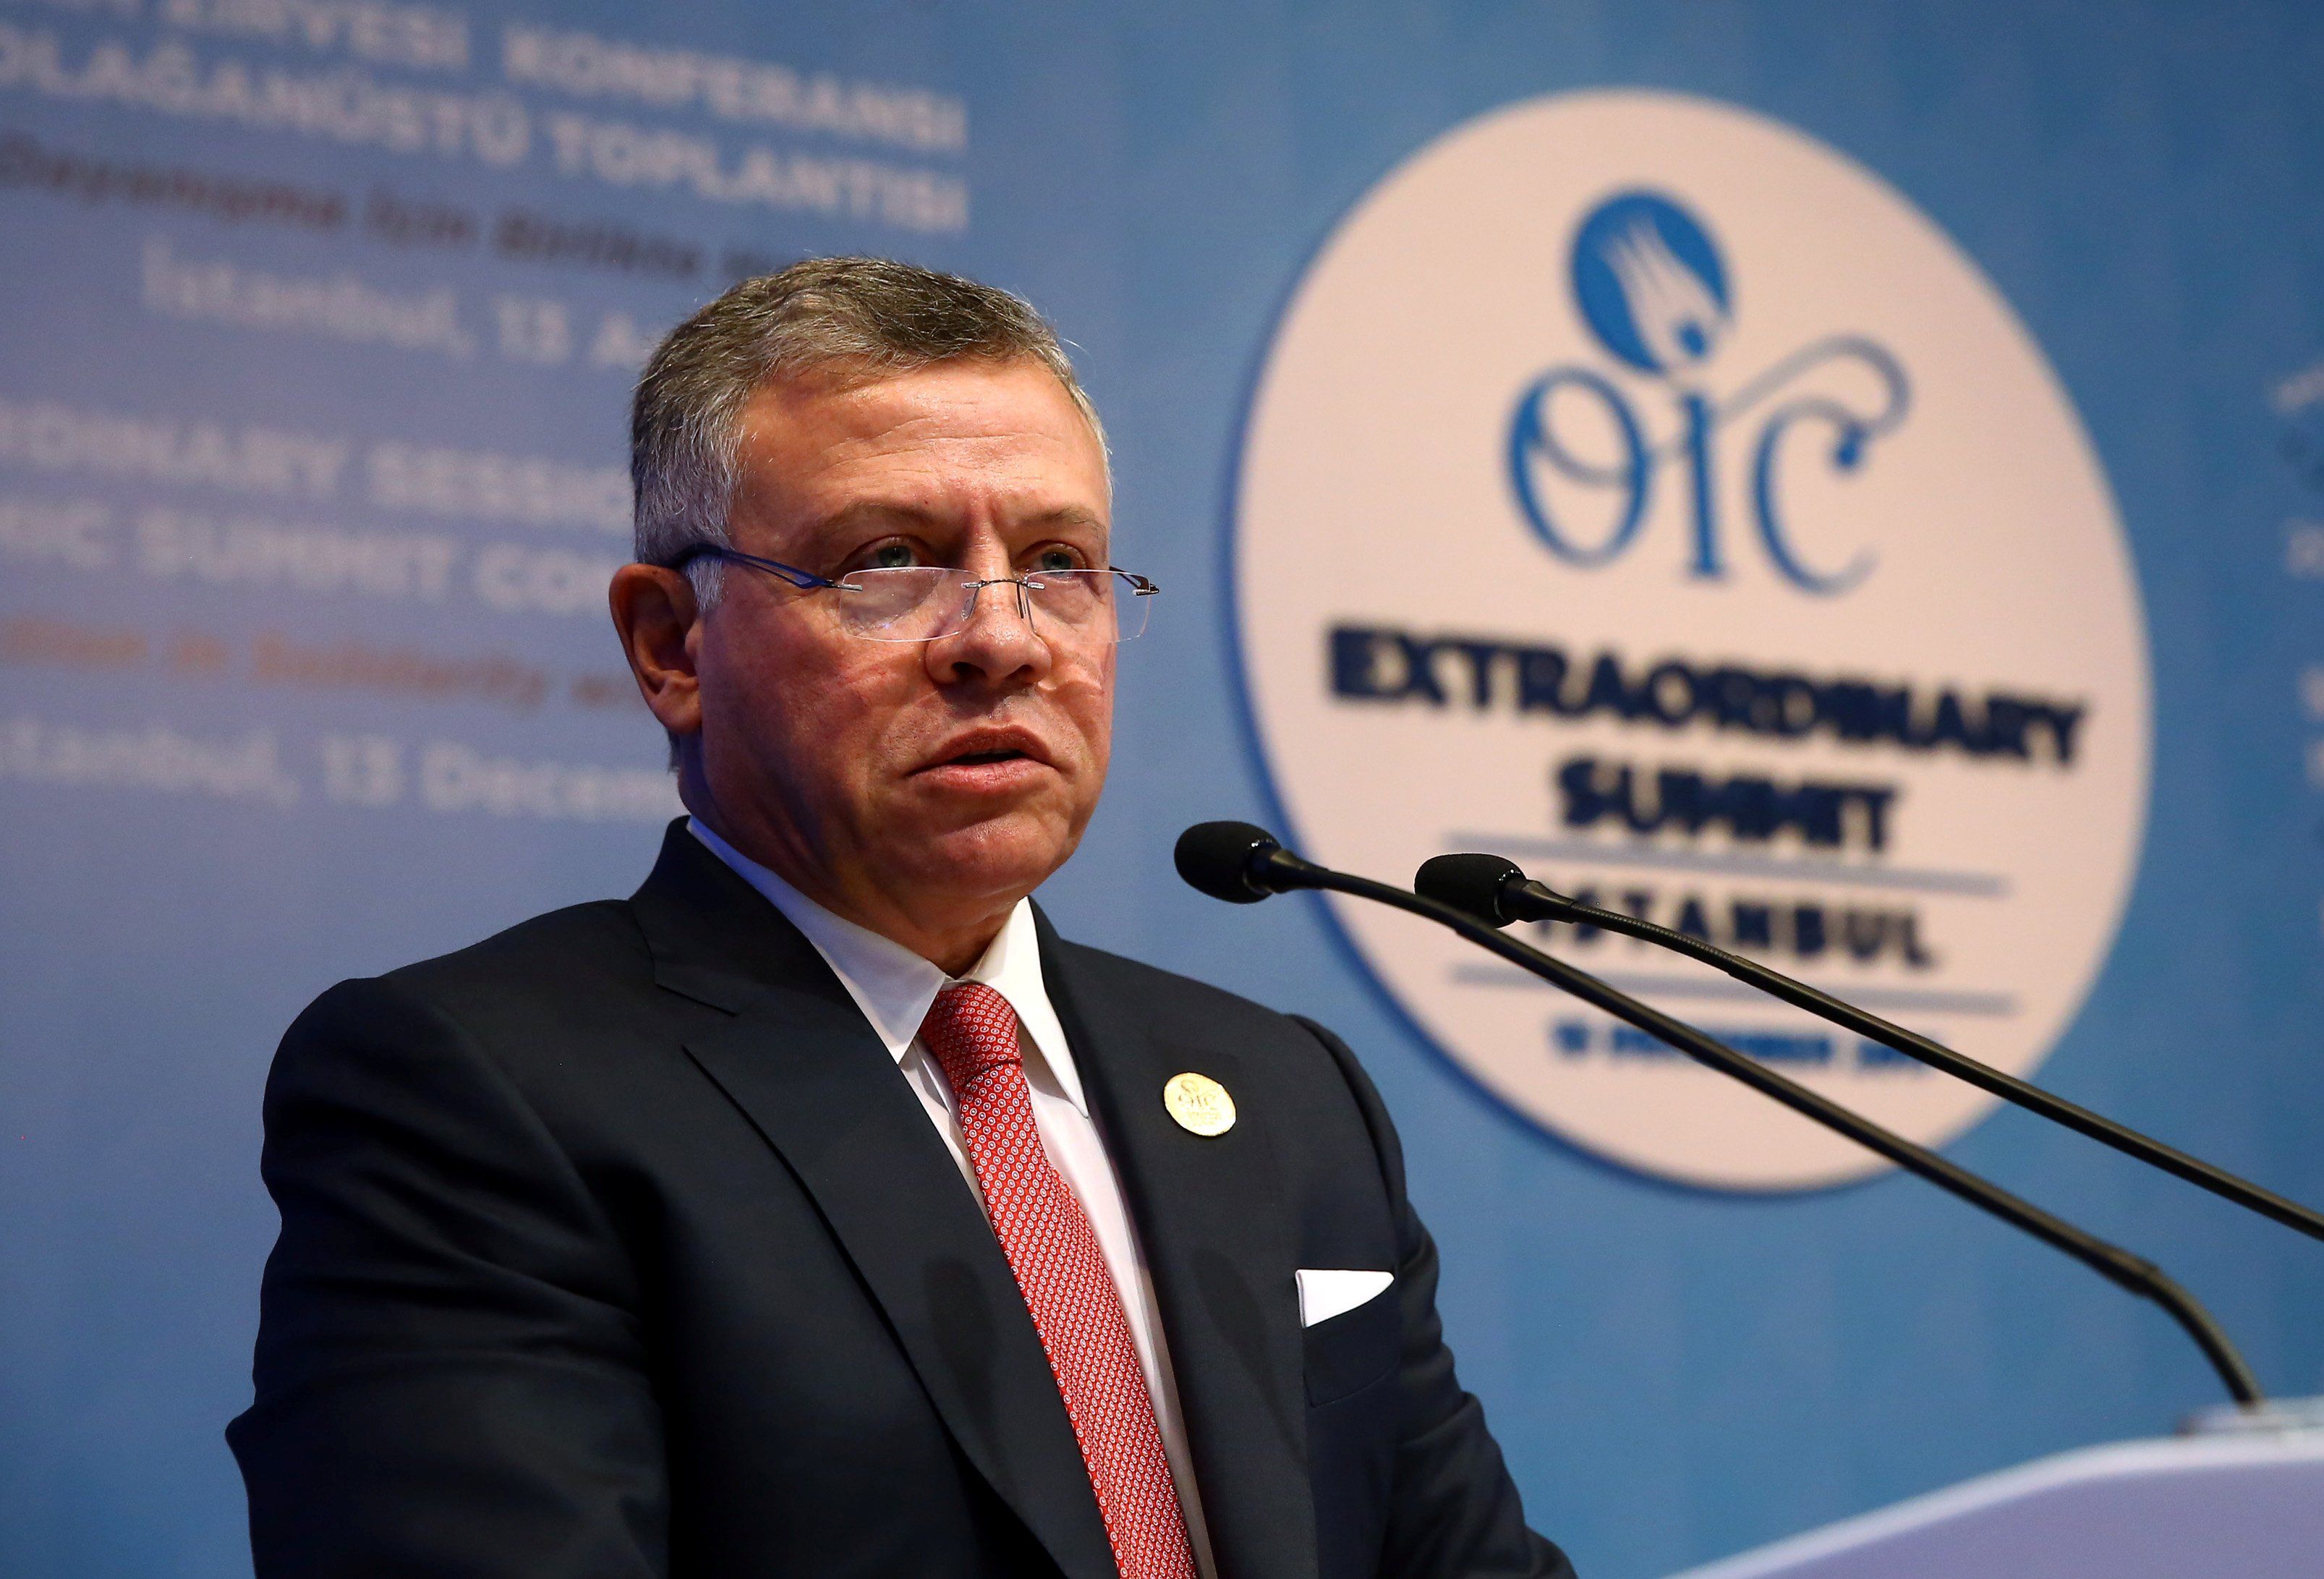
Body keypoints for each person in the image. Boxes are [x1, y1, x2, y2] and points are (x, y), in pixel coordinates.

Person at [227, 258, 1572, 1579]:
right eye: (888, 560)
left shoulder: (1282, 1092)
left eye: (1058, 562)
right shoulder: (479, 1089)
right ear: (671, 646)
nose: (1003, 638)